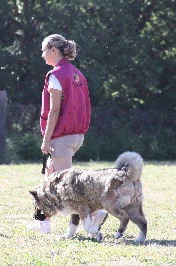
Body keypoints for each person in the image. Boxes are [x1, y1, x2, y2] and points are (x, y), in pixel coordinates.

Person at [27, 34, 107, 234]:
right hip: (75, 135)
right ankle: (43, 222)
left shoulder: (56, 75)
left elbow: (54, 111)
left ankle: (95, 214)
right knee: (49, 177)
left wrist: (46, 139)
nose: (42, 54)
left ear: (54, 50)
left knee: (66, 187)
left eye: (44, 50)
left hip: (61, 136)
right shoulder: (77, 74)